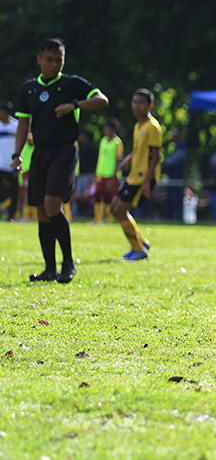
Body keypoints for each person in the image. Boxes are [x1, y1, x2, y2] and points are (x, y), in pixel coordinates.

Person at [11, 38, 109, 283]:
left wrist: (74, 104)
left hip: (64, 151)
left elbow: (102, 100)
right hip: (41, 154)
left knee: (53, 205)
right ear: (39, 60)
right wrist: (17, 154)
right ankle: (49, 269)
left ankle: (68, 263)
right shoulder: (29, 88)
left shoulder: (72, 84)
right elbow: (23, 123)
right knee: (42, 211)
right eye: (50, 60)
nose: (55, 65)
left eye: (59, 60)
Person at [110, 88, 161, 261]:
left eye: (141, 103)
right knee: (114, 208)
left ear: (150, 106)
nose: (136, 106)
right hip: (133, 175)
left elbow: (156, 156)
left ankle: (138, 249)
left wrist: (148, 181)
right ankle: (140, 242)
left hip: (143, 177)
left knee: (120, 210)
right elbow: (139, 150)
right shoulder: (138, 125)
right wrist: (125, 162)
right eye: (134, 102)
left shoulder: (153, 127)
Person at [93, 118, 124, 223]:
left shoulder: (117, 142)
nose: (105, 130)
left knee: (109, 197)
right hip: (101, 173)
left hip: (111, 175)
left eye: (107, 128)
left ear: (113, 130)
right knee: (97, 195)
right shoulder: (103, 141)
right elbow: (100, 158)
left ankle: (109, 220)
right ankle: (98, 219)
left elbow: (118, 160)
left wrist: (114, 175)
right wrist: (97, 172)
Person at [0, 100, 18, 221]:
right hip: (0, 164)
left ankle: (11, 216)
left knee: (14, 192)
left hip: (12, 164)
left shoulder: (16, 126)